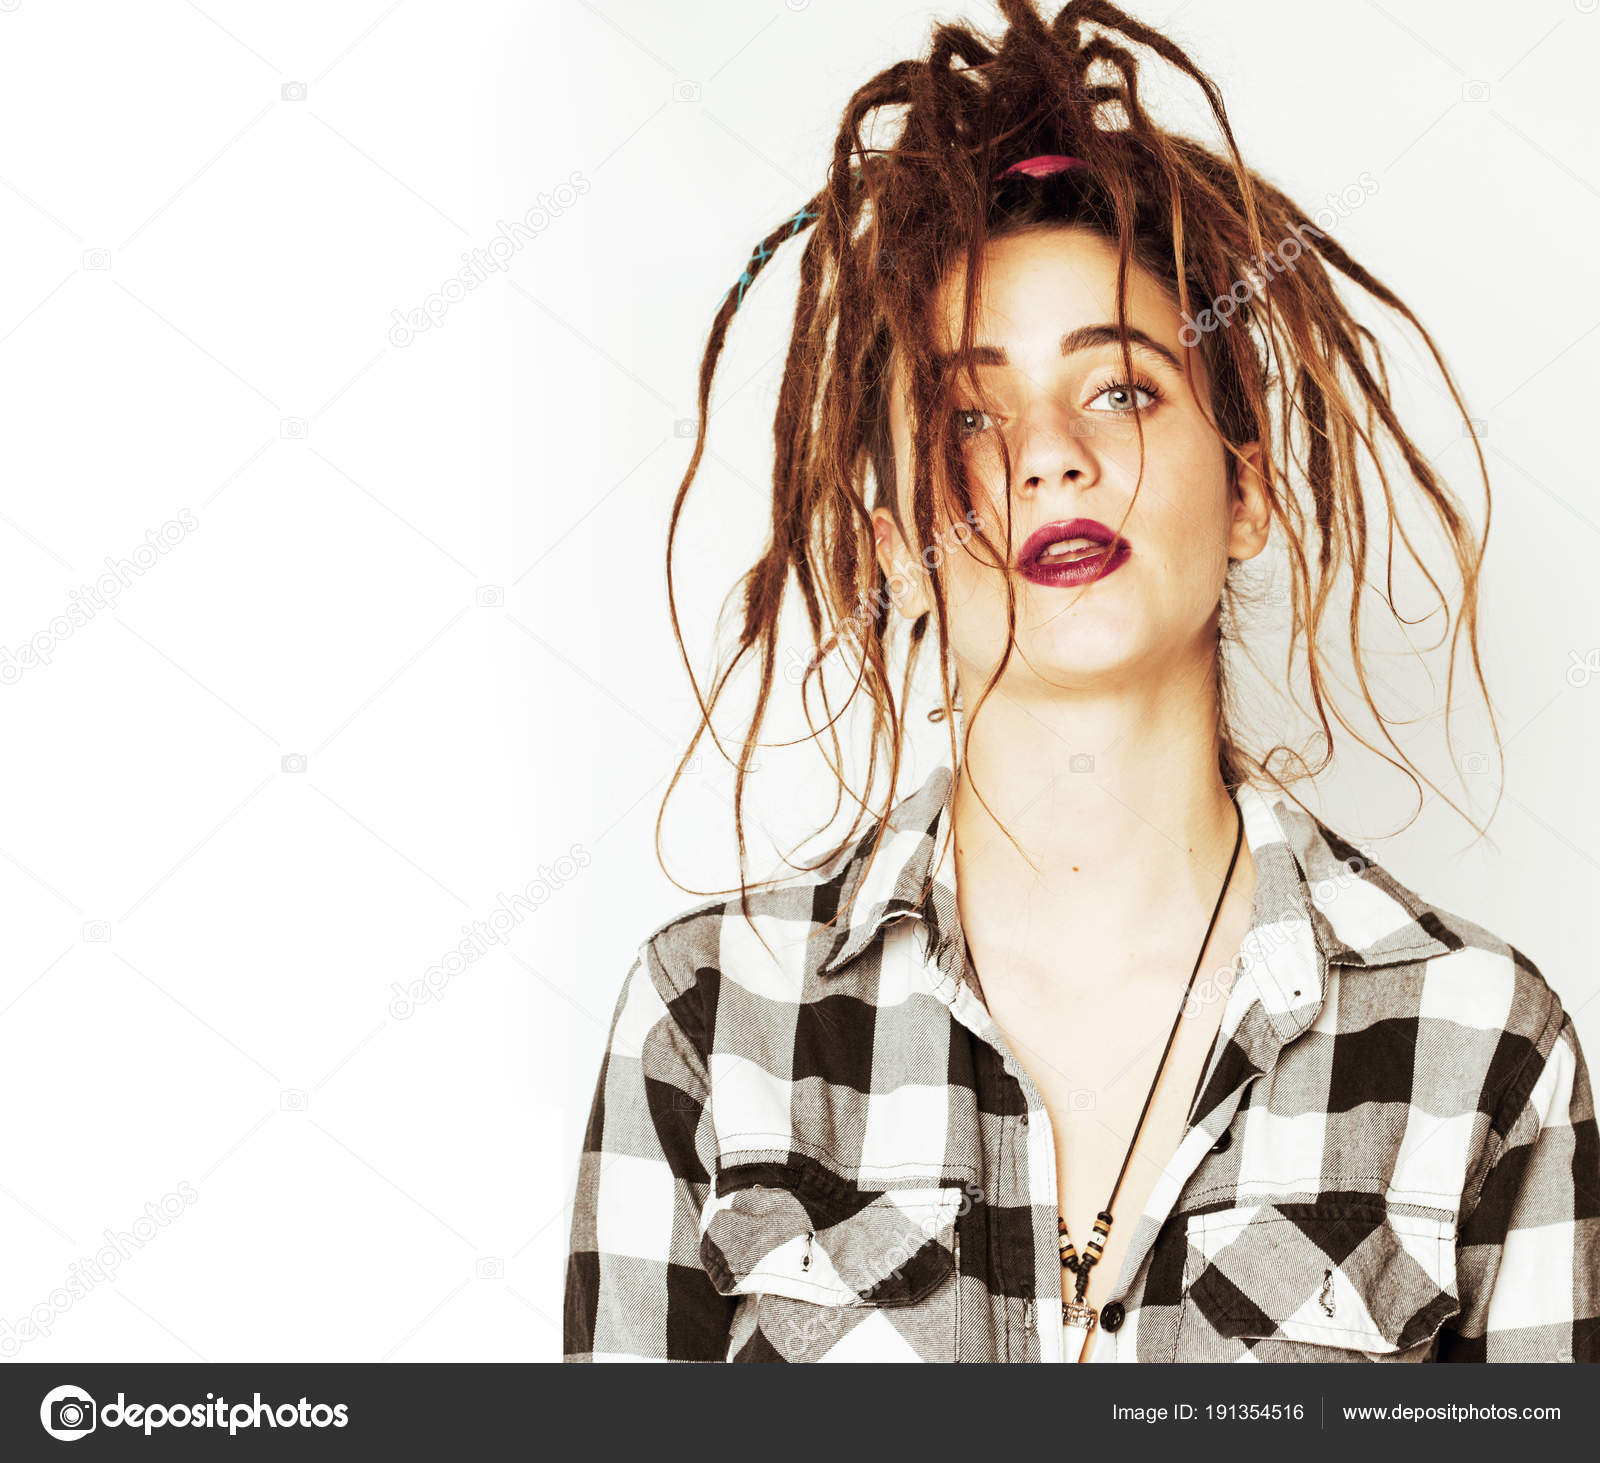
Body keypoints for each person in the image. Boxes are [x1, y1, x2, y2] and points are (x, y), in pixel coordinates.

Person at [562, 0, 1599, 1362]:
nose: (1049, 454)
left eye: (1120, 391)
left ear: (1245, 490)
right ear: (896, 551)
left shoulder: (1477, 1045)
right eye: (968, 418)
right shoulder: (714, 1028)